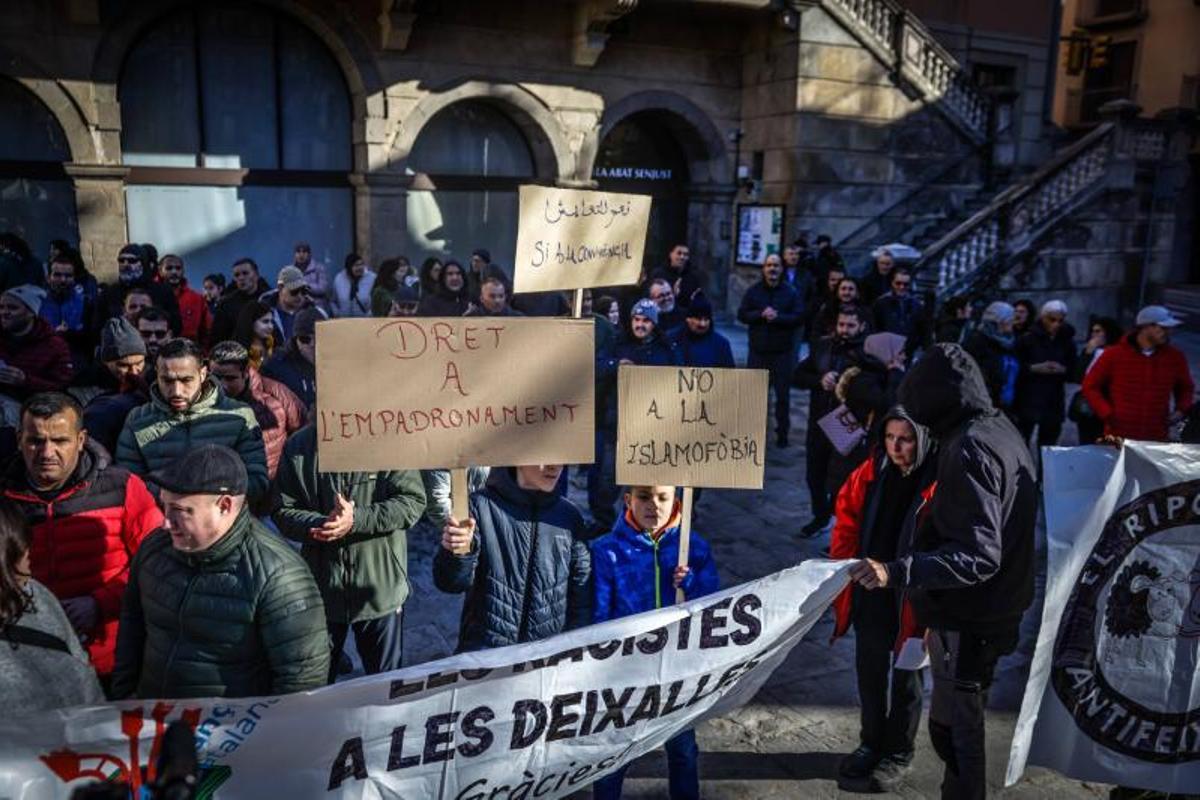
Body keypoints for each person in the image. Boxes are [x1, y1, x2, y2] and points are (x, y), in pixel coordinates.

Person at [850, 343, 1038, 800]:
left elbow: (977, 555)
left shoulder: (970, 447)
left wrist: (896, 571)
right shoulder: (997, 428)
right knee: (951, 728)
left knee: (958, 737)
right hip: (991, 610)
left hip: (972, 619)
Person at [112, 445, 329, 699]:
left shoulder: (278, 575)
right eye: (165, 506)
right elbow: (132, 626)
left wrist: (260, 736)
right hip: (153, 723)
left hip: (229, 733)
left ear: (224, 506)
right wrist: (123, 701)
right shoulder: (155, 547)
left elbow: (301, 681)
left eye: (180, 511)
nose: (165, 522)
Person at [2, 392, 162, 682]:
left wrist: (101, 603)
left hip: (115, 661)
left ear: (80, 440)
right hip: (30, 663)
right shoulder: (5, 501)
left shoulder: (124, 488)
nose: (47, 452)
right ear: (19, 439)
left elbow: (158, 562)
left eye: (60, 441)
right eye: (36, 441)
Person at [590, 484, 719, 800]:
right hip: (624, 673)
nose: (654, 505)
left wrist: (691, 585)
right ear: (628, 500)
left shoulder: (695, 549)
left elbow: (714, 604)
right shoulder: (606, 551)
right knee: (614, 754)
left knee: (683, 749)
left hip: (677, 669)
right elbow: (598, 616)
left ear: (677, 500)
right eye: (644, 497)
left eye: (663, 497)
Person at [830, 407, 936, 791]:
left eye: (905, 439)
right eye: (890, 438)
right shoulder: (872, 472)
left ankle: (898, 750)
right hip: (870, 592)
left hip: (913, 598)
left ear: (921, 440)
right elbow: (846, 517)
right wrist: (843, 571)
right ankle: (870, 740)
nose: (896, 446)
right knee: (869, 672)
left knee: (907, 679)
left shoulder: (937, 481)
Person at [274, 424, 427, 680]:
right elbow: (282, 510)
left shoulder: (390, 440)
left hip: (380, 590)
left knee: (384, 685)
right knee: (315, 685)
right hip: (322, 591)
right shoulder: (299, 446)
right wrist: (320, 525)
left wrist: (357, 519)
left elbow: (412, 503)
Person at [433, 464, 592, 652]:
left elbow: (581, 598)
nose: (553, 466)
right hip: (486, 658)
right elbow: (451, 583)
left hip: (545, 661)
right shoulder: (479, 507)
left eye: (560, 456)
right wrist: (458, 552)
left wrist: (571, 651)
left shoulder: (569, 517)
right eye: (543, 454)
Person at [116, 338, 269, 505]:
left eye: (186, 380)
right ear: (157, 374)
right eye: (167, 380)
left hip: (224, 522)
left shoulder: (240, 417)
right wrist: (174, 498)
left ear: (203, 374)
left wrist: (210, 498)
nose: (177, 391)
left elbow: (257, 481)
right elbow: (128, 484)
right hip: (161, 522)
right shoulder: (138, 420)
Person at [0, 498, 105, 714]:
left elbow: (80, 665)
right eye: (20, 543)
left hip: (79, 735)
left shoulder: (36, 593)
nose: (30, 551)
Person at [793, 306, 877, 536]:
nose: (845, 330)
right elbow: (798, 375)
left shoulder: (869, 353)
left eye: (850, 326)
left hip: (848, 422)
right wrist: (820, 380)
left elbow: (877, 390)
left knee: (842, 479)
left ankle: (839, 525)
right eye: (841, 325)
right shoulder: (823, 346)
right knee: (814, 474)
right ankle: (821, 517)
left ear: (861, 326)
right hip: (820, 419)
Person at [1081, 305, 1194, 443]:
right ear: (1145, 327)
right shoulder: (1114, 354)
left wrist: (1180, 410)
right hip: (1118, 435)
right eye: (1162, 328)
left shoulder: (1175, 357)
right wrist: (1107, 413)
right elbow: (1090, 385)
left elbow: (1186, 387)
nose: (1168, 332)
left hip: (1156, 435)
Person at [208, 341, 305, 485]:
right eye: (216, 377)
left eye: (230, 378)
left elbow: (302, 432)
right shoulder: (202, 399)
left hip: (273, 488)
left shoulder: (277, 395)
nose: (222, 385)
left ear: (246, 372)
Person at [738, 253, 803, 447]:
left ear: (781, 269)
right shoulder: (753, 291)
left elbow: (798, 317)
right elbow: (742, 314)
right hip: (758, 352)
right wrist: (760, 314)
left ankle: (782, 434)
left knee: (782, 397)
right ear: (763, 269)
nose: (772, 269)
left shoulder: (791, 292)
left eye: (776, 265)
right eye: (768, 265)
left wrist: (778, 317)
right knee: (755, 397)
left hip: (782, 353)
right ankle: (752, 434)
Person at [1014, 300, 1076, 451]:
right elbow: (1015, 366)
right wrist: (1034, 368)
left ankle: (1045, 475)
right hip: (1028, 397)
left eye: (1060, 321)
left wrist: (1063, 370)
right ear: (1043, 318)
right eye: (1052, 320)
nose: (1056, 324)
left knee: (1048, 447)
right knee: (1022, 444)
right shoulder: (1028, 338)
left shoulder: (1066, 341)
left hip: (1053, 400)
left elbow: (1074, 368)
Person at [82, 319, 149, 457]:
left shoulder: (152, 386)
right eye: (123, 365)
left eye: (139, 363)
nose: (134, 371)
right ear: (106, 362)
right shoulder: (85, 390)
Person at [0, 285, 73, 399]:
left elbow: (61, 388)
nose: (4, 312)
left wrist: (26, 381)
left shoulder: (55, 346)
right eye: (1, 307)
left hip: (32, 407)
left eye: (12, 308)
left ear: (31, 312)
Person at [96, 244, 179, 332]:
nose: (126, 264)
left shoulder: (163, 292)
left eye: (132, 261)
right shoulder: (109, 293)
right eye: (121, 260)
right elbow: (98, 327)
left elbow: (175, 325)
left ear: (143, 263)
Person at [1068, 316, 1122, 445]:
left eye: (1098, 331)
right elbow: (1078, 376)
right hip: (1088, 407)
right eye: (1093, 331)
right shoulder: (1091, 351)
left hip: (1108, 403)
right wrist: (1087, 353)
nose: (1094, 335)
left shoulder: (1116, 352)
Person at [963, 301, 1019, 417]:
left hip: (1005, 404)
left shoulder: (1009, 342)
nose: (1012, 324)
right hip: (983, 405)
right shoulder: (977, 343)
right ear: (998, 323)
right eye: (1009, 321)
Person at [40, 248, 95, 365]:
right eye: (57, 275)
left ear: (74, 278)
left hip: (76, 364)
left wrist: (69, 334)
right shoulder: (38, 303)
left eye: (68, 276)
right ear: (48, 277)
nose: (63, 280)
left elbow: (91, 339)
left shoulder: (86, 303)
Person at [262, 307, 320, 410]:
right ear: (295, 340)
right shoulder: (275, 367)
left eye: (319, 337)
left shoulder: (337, 364)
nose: (312, 344)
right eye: (305, 339)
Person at [211, 258, 270, 344]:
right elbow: (218, 338)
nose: (241, 278)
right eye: (237, 275)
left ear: (256, 275)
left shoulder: (269, 298)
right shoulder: (226, 305)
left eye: (245, 273)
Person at [158, 254, 212, 345]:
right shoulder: (151, 295)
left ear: (183, 271)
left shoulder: (197, 298)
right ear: (160, 271)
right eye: (169, 268)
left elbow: (207, 330)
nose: (174, 272)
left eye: (178, 268)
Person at [672, 293, 734, 368]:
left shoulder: (722, 344)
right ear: (688, 319)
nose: (703, 324)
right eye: (698, 319)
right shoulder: (673, 340)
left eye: (706, 319)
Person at [871, 269, 927, 348]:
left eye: (905, 284)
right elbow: (874, 327)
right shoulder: (881, 303)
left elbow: (922, 330)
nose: (901, 287)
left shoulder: (917, 305)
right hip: (885, 347)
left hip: (908, 349)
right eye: (898, 283)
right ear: (892, 283)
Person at [265, 265, 316, 342]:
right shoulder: (263, 313)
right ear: (280, 288)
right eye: (294, 291)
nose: (299, 296)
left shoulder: (313, 312)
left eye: (303, 291)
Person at [648, 242, 701, 311]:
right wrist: (672, 294)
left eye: (686, 255)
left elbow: (694, 301)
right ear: (671, 254)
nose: (682, 257)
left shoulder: (692, 277)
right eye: (679, 253)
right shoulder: (658, 274)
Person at [810, 275, 858, 344]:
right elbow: (815, 336)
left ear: (856, 292)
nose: (847, 292)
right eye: (843, 289)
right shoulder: (826, 310)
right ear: (837, 292)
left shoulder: (864, 312)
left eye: (851, 289)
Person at [232, 300, 276, 370]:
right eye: (265, 322)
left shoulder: (274, 345)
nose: (271, 326)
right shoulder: (236, 353)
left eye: (272, 322)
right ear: (251, 322)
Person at [289, 242, 331, 315]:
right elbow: (287, 291)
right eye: (298, 251)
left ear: (309, 254)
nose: (301, 255)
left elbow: (323, 289)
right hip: (297, 310)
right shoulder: (290, 270)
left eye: (304, 252)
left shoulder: (319, 268)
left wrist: (305, 285)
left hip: (316, 309)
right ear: (295, 254)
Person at [331, 253, 375, 318]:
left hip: (365, 322)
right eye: (356, 265)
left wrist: (369, 316)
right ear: (349, 267)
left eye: (361, 264)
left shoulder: (372, 278)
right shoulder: (339, 279)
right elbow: (333, 301)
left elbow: (377, 302)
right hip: (343, 322)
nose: (360, 268)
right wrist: (337, 314)